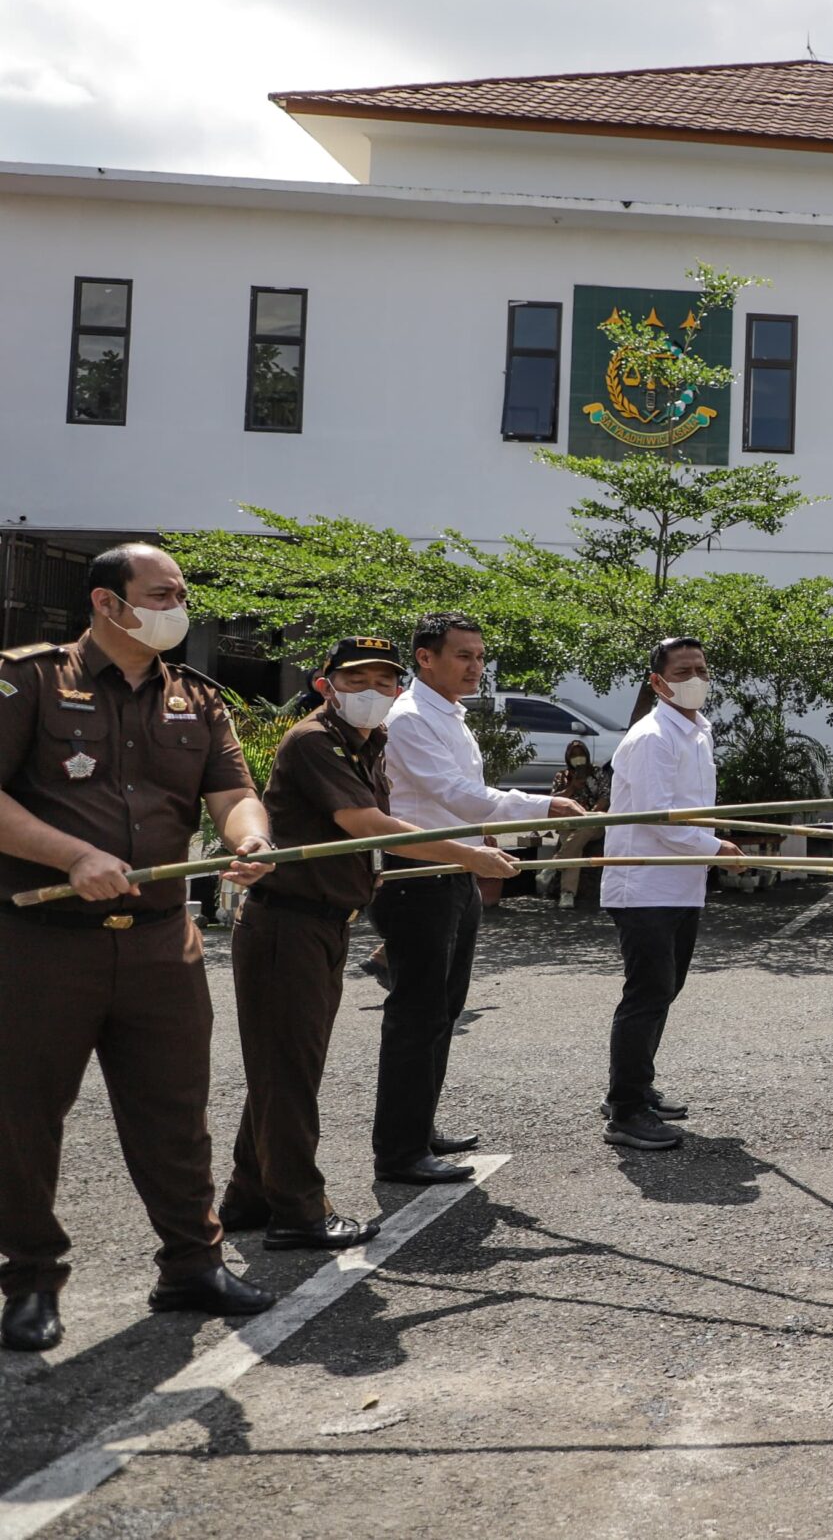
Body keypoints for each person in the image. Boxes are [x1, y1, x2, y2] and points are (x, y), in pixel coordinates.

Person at [0, 544, 279, 1353]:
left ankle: (192, 1265)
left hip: (162, 943)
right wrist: (73, 856)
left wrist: (249, 840)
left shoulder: (196, 698)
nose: (177, 605)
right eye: (162, 593)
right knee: (22, 1116)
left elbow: (231, 793)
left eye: (181, 593)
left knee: (174, 1110)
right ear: (107, 603)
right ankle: (28, 1282)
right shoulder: (28, 681)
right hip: (42, 943)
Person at [222, 636, 520, 1252]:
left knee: (284, 1068)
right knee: (290, 1073)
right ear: (327, 685)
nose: (374, 694)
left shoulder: (370, 742)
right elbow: (366, 825)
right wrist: (470, 853)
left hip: (326, 920)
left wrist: (374, 871)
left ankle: (250, 1195)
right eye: (357, 682)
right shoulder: (314, 740)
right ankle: (299, 1211)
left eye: (385, 682)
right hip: (288, 923)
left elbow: (368, 838)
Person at [374, 614, 584, 1186]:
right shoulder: (411, 718)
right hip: (418, 876)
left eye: (478, 656)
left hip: (456, 873)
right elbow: (458, 797)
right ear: (425, 658)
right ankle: (399, 1151)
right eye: (463, 656)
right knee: (417, 1015)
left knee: (442, 1009)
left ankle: (417, 1129)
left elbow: (460, 802)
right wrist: (541, 806)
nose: (476, 667)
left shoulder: (449, 715)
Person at [597, 638, 740, 1151]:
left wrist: (709, 844)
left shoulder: (696, 731)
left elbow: (687, 812)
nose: (696, 678)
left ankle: (635, 1088)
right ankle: (626, 1110)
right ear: (657, 682)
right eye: (683, 671)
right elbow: (657, 819)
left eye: (702, 668)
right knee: (647, 994)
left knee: (663, 991)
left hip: (681, 882)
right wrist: (715, 845)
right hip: (646, 884)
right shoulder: (653, 736)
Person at [549, 739, 609, 910]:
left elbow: (605, 796)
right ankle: (567, 895)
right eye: (574, 755)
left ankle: (554, 867)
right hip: (569, 822)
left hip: (592, 822)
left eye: (580, 754)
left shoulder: (597, 773)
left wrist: (590, 814)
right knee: (574, 842)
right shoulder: (562, 776)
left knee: (583, 830)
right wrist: (572, 787)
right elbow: (553, 800)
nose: (578, 758)